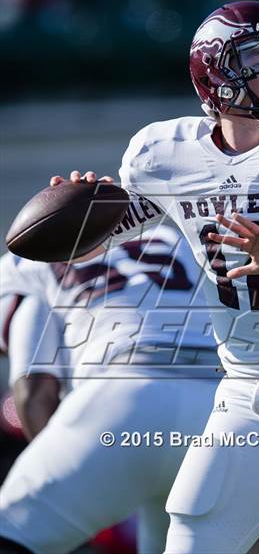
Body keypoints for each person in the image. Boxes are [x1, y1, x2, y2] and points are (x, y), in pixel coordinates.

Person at [6, 0, 259, 554]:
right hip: (249, 402)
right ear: (216, 74)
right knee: (192, 540)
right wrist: (82, 213)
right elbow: (112, 234)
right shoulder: (166, 154)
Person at [0, 227, 221, 554]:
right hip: (219, 410)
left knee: (11, 534)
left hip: (123, 397)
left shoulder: (28, 258)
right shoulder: (170, 235)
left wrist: (71, 479)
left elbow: (35, 389)